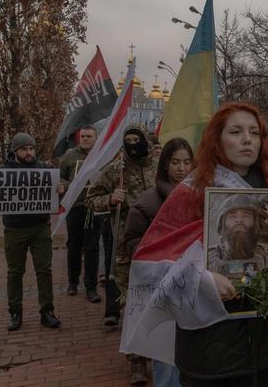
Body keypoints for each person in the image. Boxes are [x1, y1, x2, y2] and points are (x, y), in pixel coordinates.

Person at [120, 102, 268, 387]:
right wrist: (201, 278)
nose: (247, 139)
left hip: (265, 347)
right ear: (217, 139)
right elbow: (147, 263)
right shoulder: (190, 193)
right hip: (210, 350)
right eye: (236, 132)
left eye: (254, 133)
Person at [85, 123, 157, 385]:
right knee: (132, 304)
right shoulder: (116, 170)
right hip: (127, 248)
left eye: (138, 139)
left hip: (160, 245)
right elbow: (91, 197)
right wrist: (110, 199)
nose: (133, 144)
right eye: (128, 140)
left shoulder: (160, 166)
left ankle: (161, 354)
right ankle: (136, 361)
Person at [121, 137, 194, 387]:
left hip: (193, 288)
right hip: (160, 288)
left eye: (187, 162)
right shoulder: (149, 202)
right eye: (175, 162)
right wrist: (159, 259)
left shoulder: (201, 197)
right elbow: (131, 240)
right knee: (166, 356)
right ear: (164, 165)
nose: (182, 169)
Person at [1, 132, 63, 331]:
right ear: (15, 150)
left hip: (40, 228)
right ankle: (15, 312)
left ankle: (47, 311)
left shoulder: (45, 169)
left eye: (31, 148)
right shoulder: (3, 171)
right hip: (14, 229)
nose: (28, 153)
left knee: (44, 270)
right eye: (24, 149)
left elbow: (58, 197)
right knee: (15, 272)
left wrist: (60, 189)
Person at [58, 125, 101, 303]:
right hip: (74, 207)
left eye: (89, 136)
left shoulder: (102, 155)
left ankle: (91, 287)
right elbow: (60, 177)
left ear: (95, 138)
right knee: (74, 245)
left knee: (92, 247)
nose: (85, 139)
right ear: (79, 138)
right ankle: (73, 283)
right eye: (83, 136)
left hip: (94, 207)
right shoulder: (69, 156)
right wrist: (67, 186)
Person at [207, 194, 268, 278]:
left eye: (246, 216)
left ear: (256, 224)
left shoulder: (267, 256)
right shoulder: (208, 256)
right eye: (232, 216)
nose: (239, 220)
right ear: (222, 225)